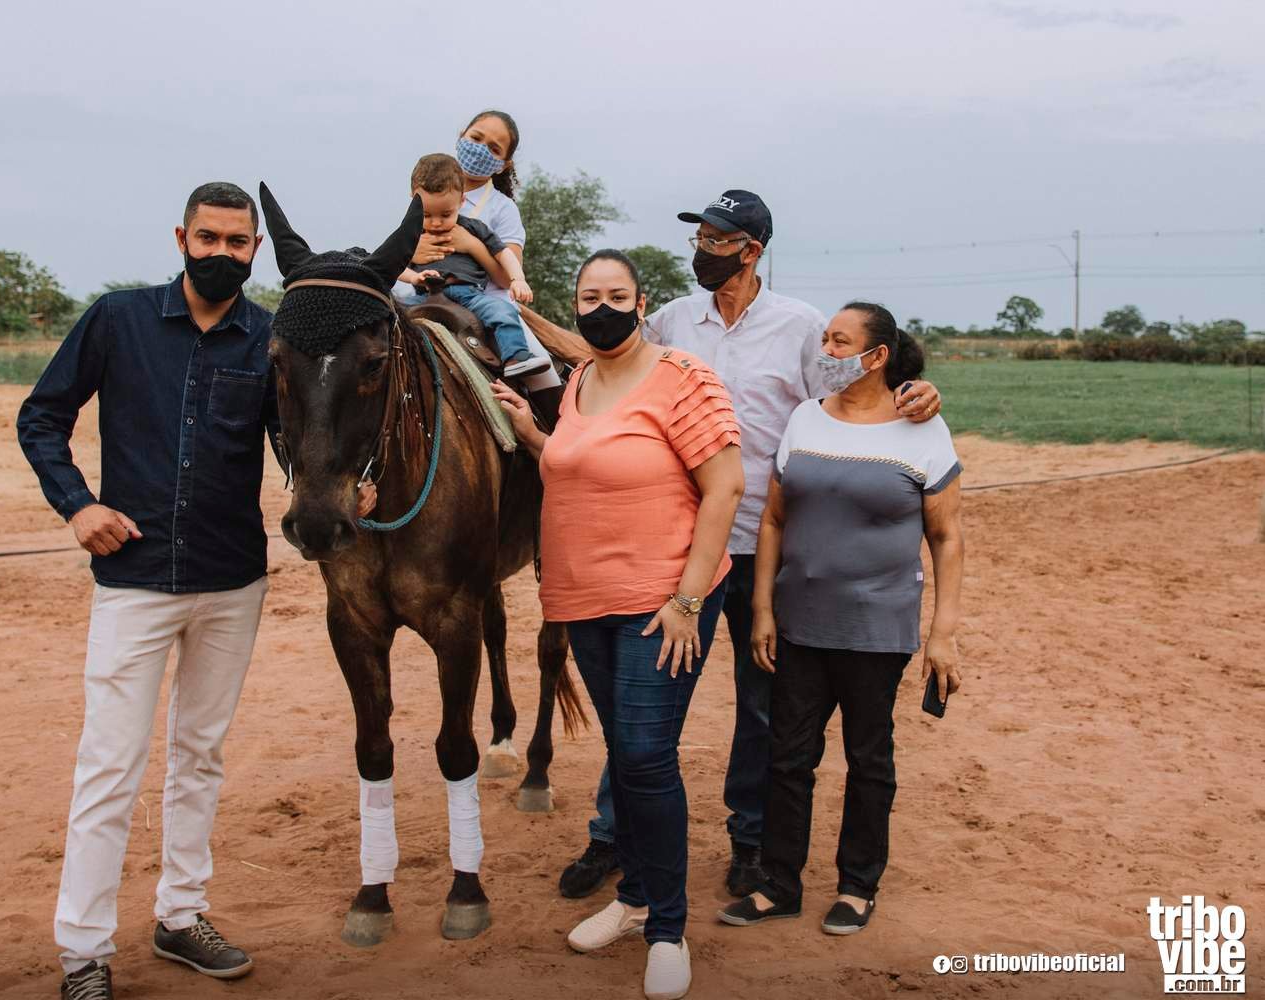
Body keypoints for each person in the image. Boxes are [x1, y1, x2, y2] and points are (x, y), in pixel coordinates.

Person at [16, 182, 371, 1000]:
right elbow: (42, 417)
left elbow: (299, 439)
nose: (221, 253)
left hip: (230, 580)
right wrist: (78, 506)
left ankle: (181, 915)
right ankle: (83, 952)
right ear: (182, 238)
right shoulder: (118, 320)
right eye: (208, 239)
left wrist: (345, 489)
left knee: (200, 757)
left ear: (255, 251)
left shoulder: (271, 339)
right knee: (110, 764)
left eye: (237, 243)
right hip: (134, 579)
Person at [558, 190, 945, 902]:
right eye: (699, 238)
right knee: (641, 701)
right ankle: (613, 833)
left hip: (767, 545)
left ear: (751, 249)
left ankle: (750, 839)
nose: (702, 250)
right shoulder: (672, 320)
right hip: (682, 545)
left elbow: (854, 393)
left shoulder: (799, 327)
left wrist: (918, 394)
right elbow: (604, 361)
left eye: (715, 239)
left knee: (762, 701)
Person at [494, 250, 743, 1000]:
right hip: (584, 601)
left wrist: (688, 600)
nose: (601, 308)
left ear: (641, 302)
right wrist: (533, 437)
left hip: (661, 601)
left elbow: (726, 486)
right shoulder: (579, 381)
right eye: (589, 297)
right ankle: (634, 900)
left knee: (644, 755)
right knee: (626, 753)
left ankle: (666, 927)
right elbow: (582, 466)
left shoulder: (683, 377)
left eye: (616, 296)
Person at [717, 302, 964, 935]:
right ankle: (779, 884)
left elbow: (946, 537)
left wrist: (942, 633)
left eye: (839, 341)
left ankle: (857, 886)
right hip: (799, 623)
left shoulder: (922, 428)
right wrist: (763, 609)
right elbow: (773, 519)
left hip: (877, 629)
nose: (825, 350)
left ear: (876, 356)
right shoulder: (805, 418)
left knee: (868, 758)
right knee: (788, 757)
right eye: (825, 338)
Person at [398, 153, 548, 378]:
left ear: (461, 202)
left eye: (445, 214)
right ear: (413, 201)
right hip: (426, 296)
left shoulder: (473, 227)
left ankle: (516, 356)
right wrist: (413, 277)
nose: (436, 223)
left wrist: (518, 279)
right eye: (426, 214)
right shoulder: (410, 232)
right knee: (391, 311)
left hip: (469, 295)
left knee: (502, 311)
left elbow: (504, 253)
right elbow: (395, 266)